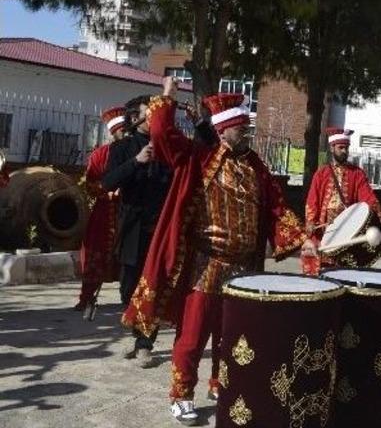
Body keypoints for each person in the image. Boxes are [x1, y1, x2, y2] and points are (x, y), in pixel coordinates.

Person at [120, 79, 313, 425]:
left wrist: (301, 239)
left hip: (246, 269)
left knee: (233, 336)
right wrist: (166, 97)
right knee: (192, 336)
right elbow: (163, 136)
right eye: (241, 127)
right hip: (205, 265)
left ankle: (220, 385)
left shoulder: (257, 167)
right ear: (224, 130)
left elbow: (276, 210)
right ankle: (181, 395)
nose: (247, 132)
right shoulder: (199, 157)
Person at [102, 93, 174, 368]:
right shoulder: (122, 148)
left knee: (152, 287)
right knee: (128, 288)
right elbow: (108, 182)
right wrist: (136, 162)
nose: (155, 118)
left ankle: (145, 344)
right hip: (131, 228)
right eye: (150, 113)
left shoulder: (167, 147)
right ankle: (137, 333)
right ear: (136, 118)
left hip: (159, 230)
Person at [303, 127, 381, 275]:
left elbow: (368, 197)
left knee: (343, 271)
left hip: (347, 230)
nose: (345, 151)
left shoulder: (357, 174)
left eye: (347, 147)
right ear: (332, 148)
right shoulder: (321, 173)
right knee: (319, 271)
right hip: (323, 228)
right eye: (341, 147)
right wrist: (311, 222)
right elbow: (312, 201)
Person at [74, 106, 126, 315]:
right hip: (105, 213)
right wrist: (108, 193)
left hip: (129, 211)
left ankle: (129, 298)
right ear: (114, 132)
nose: (125, 133)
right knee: (96, 254)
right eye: (122, 130)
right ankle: (86, 297)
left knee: (129, 258)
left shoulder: (138, 150)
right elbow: (90, 184)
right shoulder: (100, 155)